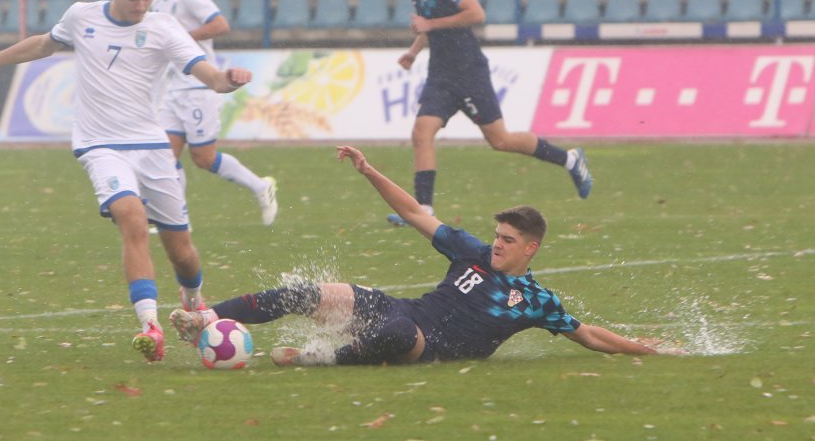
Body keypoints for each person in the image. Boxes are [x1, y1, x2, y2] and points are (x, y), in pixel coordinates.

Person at [0, 0, 253, 363]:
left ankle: (195, 303)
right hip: (100, 145)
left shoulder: (164, 28)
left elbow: (210, 76)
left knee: (180, 250)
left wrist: (229, 81)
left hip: (151, 147)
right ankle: (150, 326)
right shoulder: (82, 17)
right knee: (130, 216)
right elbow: (43, 43)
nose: (141, 6)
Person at [169, 145, 669, 366]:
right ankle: (204, 317)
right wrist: (369, 171)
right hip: (404, 310)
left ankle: (320, 358)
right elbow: (413, 212)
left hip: (421, 344)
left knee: (394, 335)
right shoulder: (471, 252)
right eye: (497, 235)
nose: (496, 243)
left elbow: (586, 334)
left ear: (530, 248)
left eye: (508, 240)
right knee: (308, 294)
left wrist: (640, 347)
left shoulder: (535, 300)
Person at [388, 0, 593, 227]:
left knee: (501, 140)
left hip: (469, 70)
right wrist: (414, 50)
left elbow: (476, 14)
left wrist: (429, 27)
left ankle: (570, 160)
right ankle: (424, 210)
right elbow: (428, 23)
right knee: (421, 133)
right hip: (440, 73)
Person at [151, 0, 277, 228]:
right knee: (165, 155)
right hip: (172, 90)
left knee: (203, 158)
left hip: (199, 87)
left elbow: (220, 25)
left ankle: (261, 187)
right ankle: (177, 219)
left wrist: (182, 39)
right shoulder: (158, 4)